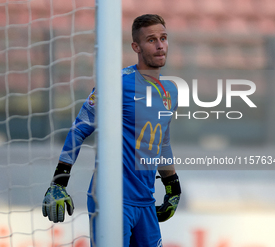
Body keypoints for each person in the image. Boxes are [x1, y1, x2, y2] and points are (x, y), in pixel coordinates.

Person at [42, 14, 181, 247]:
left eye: (163, 38)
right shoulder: (116, 83)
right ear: (136, 46)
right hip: (110, 200)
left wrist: (172, 186)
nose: (159, 45)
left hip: (146, 201)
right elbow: (79, 130)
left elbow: (162, 142)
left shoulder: (171, 91)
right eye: (151, 40)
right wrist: (59, 181)